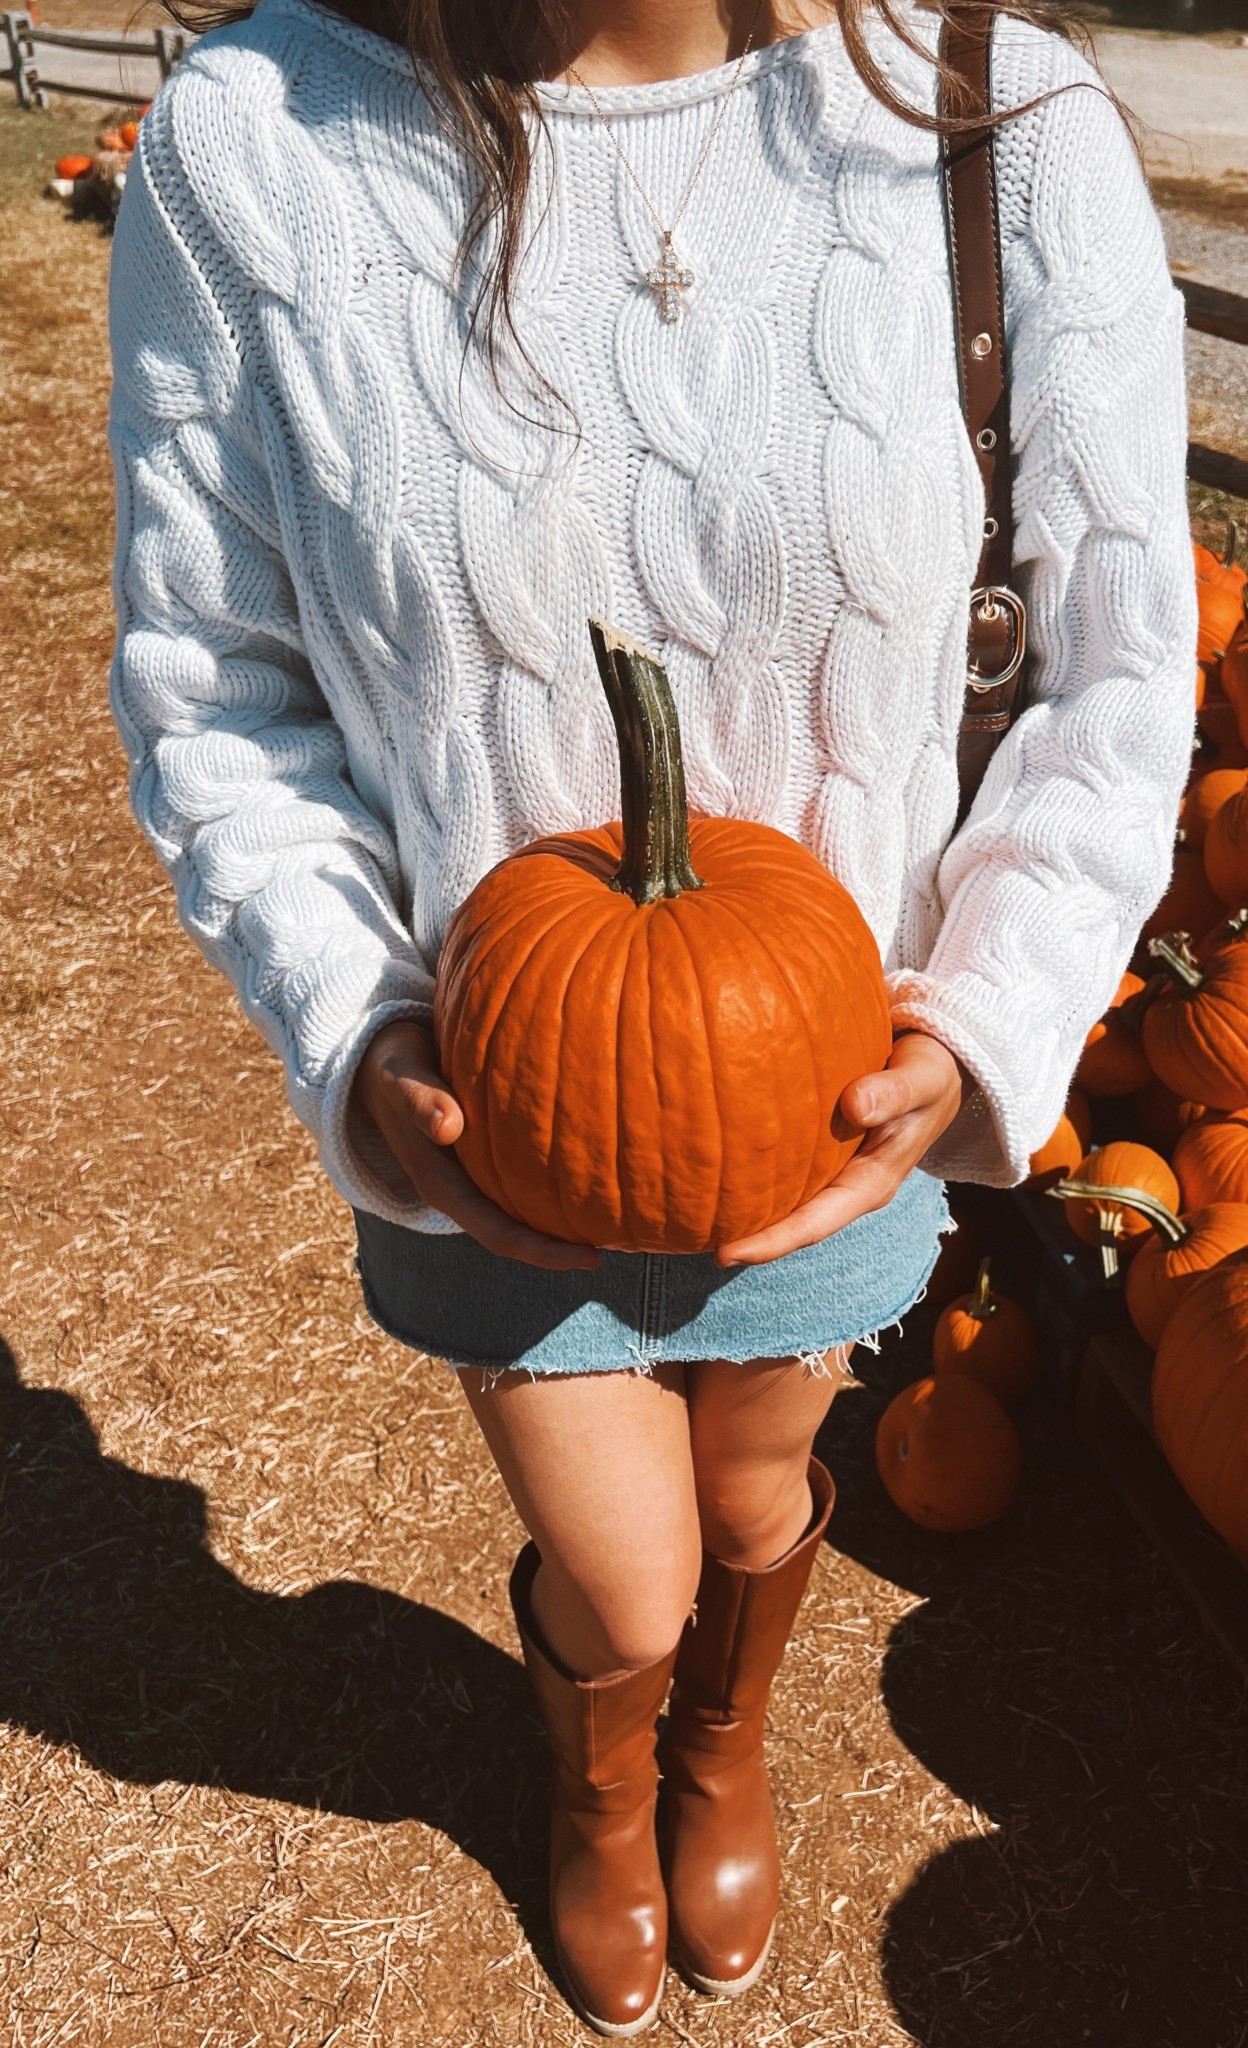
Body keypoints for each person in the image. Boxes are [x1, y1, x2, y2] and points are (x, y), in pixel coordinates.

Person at [106, 0, 1196, 2033]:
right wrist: (358, 1022)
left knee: (761, 1499)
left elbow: (1121, 677)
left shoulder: (1003, 123)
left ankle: (720, 1738)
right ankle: (606, 1773)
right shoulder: (252, 148)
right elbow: (214, 689)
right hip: (489, 1114)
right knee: (626, 1574)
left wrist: (981, 1020)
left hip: (837, 1093)